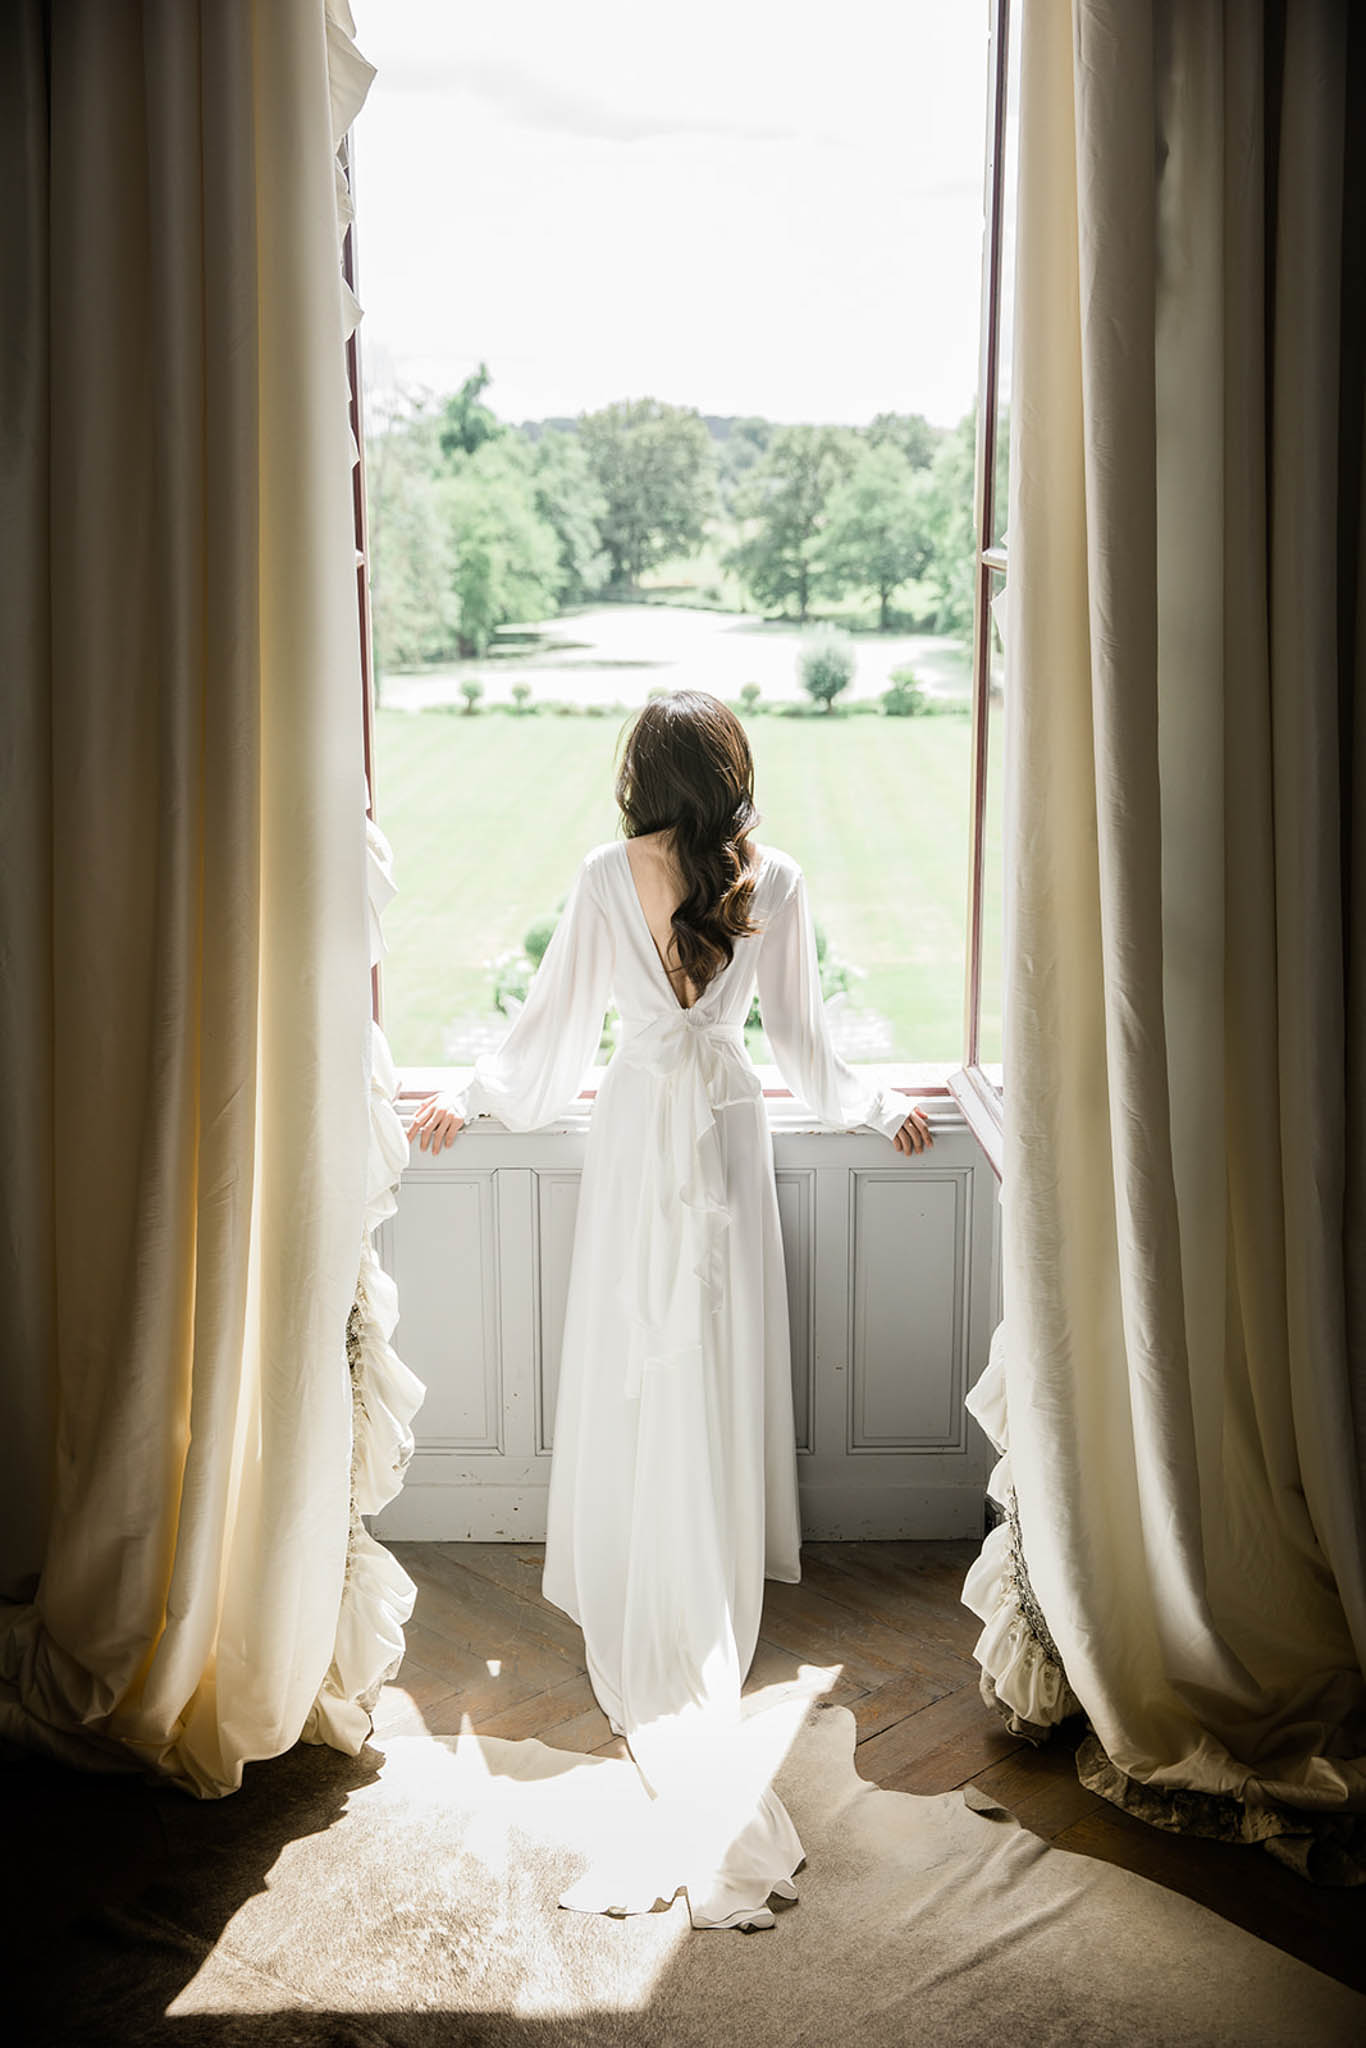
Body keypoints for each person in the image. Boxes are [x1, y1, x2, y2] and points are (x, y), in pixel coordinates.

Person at [407, 689, 933, 1930]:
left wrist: (472, 1096)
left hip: (647, 1127)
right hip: (723, 1129)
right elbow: (803, 1041)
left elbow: (543, 1039)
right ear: (732, 773)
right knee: (708, 1351)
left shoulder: (605, 874)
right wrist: (870, 1105)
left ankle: (644, 1547)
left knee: (640, 1352)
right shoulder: (779, 879)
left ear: (643, 778)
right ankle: (702, 1546)